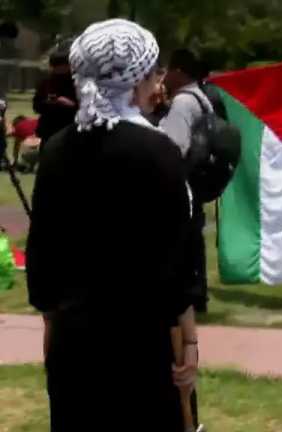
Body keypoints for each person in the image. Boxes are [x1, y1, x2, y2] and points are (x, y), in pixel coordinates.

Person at [26, 19, 198, 431]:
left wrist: (51, 320)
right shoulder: (158, 151)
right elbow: (177, 259)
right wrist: (190, 340)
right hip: (142, 341)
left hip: (74, 338)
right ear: (137, 79)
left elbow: (42, 253)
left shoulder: (56, 150)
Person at [161, 48, 214, 315]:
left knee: (181, 241)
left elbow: (175, 145)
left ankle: (188, 298)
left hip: (183, 181)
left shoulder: (183, 102)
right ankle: (197, 295)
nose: (163, 76)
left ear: (179, 72)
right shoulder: (201, 98)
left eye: (167, 70)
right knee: (193, 239)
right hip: (197, 179)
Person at [33, 44, 78, 154]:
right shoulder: (46, 83)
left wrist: (71, 105)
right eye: (55, 67)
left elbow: (88, 108)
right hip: (49, 131)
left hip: (71, 130)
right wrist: (49, 103)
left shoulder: (79, 83)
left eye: (62, 66)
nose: (58, 70)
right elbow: (36, 106)